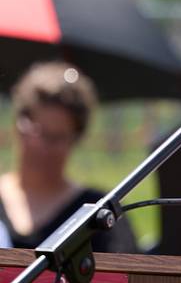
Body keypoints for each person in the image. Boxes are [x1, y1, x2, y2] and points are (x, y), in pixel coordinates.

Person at [0, 61, 138, 253]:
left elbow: (124, 277)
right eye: (38, 132)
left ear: (76, 139)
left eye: (56, 138)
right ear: (18, 124)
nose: (43, 147)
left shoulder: (98, 215)